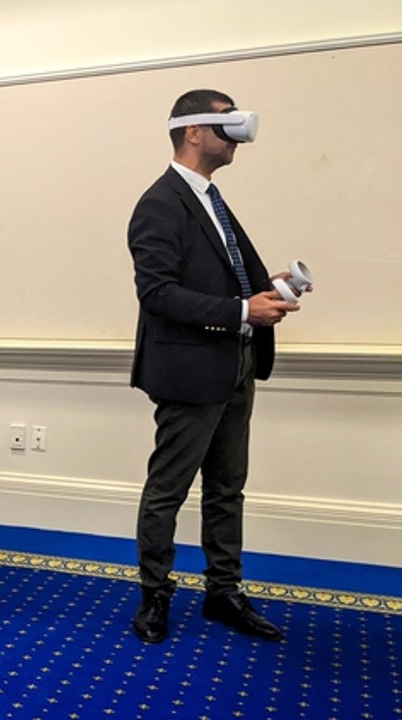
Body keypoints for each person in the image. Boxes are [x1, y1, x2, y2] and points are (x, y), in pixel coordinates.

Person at [127, 89, 301, 644]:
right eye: (226, 123)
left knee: (228, 488)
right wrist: (241, 310)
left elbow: (218, 280)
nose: (237, 136)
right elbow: (157, 293)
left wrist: (266, 289)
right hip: (190, 372)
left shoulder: (211, 200)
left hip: (236, 364)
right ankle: (155, 594)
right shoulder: (160, 203)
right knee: (168, 490)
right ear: (194, 131)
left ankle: (223, 592)